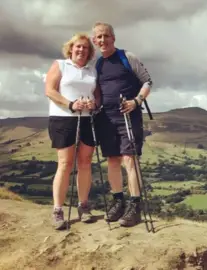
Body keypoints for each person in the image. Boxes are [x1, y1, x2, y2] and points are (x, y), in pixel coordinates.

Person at [91, 22, 153, 227]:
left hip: (128, 116)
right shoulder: (98, 64)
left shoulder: (127, 57)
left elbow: (147, 81)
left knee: (129, 159)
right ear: (94, 40)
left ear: (113, 38)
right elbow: (99, 92)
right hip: (106, 119)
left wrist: (136, 101)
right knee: (112, 160)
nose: (102, 40)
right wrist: (94, 105)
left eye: (106, 36)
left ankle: (135, 206)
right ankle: (118, 202)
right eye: (98, 37)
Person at [44, 33, 98, 230]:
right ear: (71, 48)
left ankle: (83, 206)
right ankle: (58, 210)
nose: (81, 50)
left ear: (90, 52)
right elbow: (50, 90)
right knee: (65, 163)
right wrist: (71, 104)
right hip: (63, 118)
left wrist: (93, 103)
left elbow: (97, 95)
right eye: (78, 47)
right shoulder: (60, 65)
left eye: (85, 47)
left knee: (85, 162)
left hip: (87, 119)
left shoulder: (92, 70)